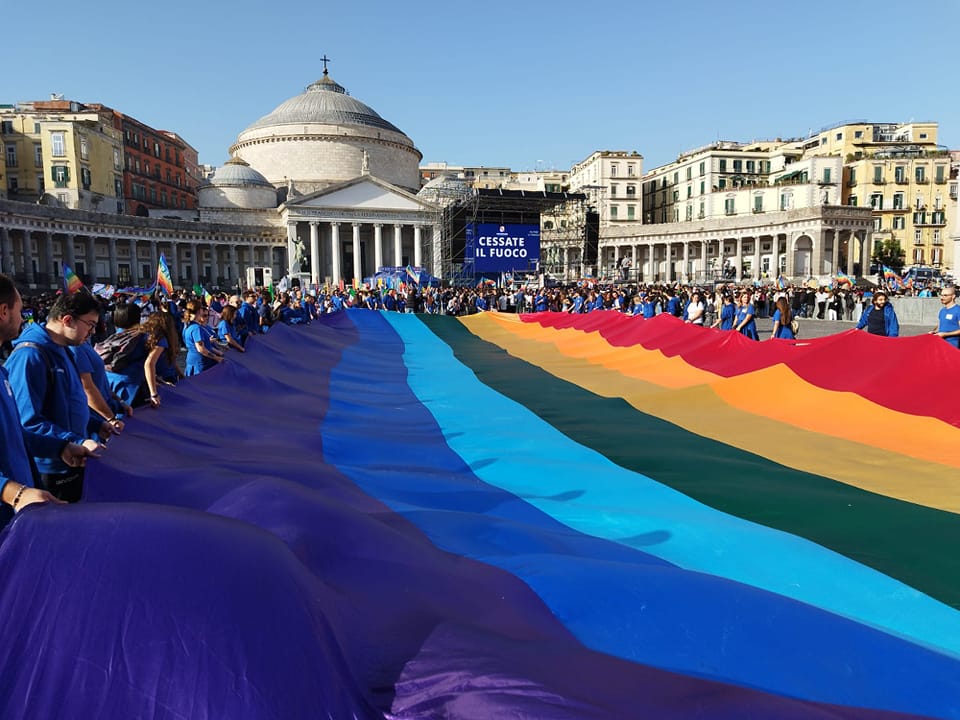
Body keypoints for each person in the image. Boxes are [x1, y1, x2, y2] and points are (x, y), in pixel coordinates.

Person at [0, 275, 99, 526]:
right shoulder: (29, 356)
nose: (23, 319)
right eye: (20, 311)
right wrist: (13, 492)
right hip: (17, 500)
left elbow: (15, 432)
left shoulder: (59, 351)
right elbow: (30, 420)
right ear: (3, 311)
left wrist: (61, 447)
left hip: (21, 502)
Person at [182, 301, 224, 376]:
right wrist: (216, 358)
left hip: (193, 360)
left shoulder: (187, 325)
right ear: (199, 311)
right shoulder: (196, 328)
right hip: (199, 363)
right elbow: (201, 349)